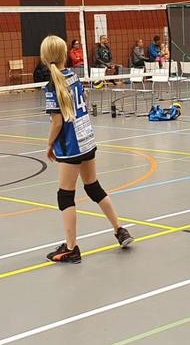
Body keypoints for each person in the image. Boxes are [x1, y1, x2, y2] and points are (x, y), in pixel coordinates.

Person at [40, 35, 133, 263]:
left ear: (44, 58)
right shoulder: (74, 76)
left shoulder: (52, 85)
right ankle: (120, 229)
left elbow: (57, 123)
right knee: (93, 187)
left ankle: (71, 248)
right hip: (87, 139)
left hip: (71, 146)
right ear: (64, 55)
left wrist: (49, 144)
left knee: (65, 195)